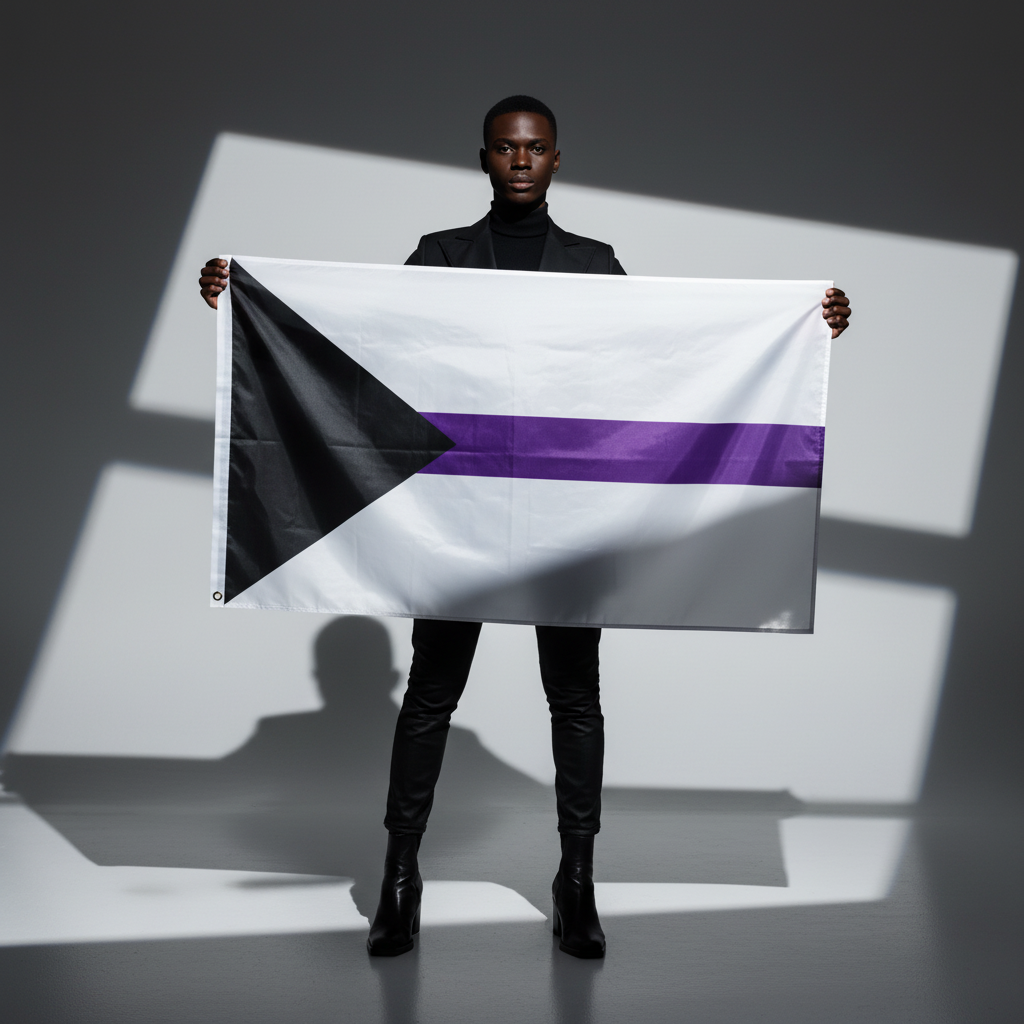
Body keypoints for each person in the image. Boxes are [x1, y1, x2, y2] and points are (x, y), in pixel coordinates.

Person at [198, 95, 852, 959]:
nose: (520, 160)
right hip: (453, 516)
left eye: (535, 148)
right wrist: (241, 296)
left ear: (555, 159)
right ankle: (400, 874)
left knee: (574, 696)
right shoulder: (437, 258)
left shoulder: (595, 263)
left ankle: (574, 879)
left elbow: (656, 370)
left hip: (566, 517)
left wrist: (807, 325)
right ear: (483, 158)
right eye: (506, 148)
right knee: (431, 694)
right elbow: (364, 350)